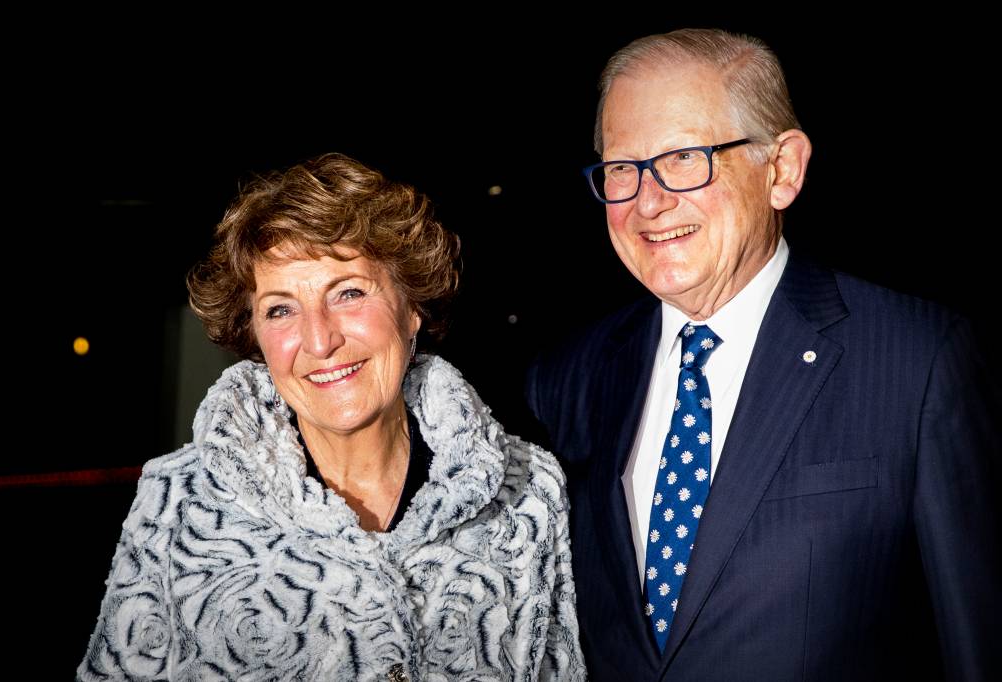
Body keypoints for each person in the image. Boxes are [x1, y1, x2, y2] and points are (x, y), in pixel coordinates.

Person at [525, 29, 999, 680]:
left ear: (782, 170)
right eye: (621, 169)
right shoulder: (567, 377)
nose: (648, 202)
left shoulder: (918, 361)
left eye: (685, 158)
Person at [78, 153, 586, 681]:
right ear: (254, 334)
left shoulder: (526, 494)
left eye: (348, 293)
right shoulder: (179, 503)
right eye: (280, 309)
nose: (320, 340)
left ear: (412, 306)